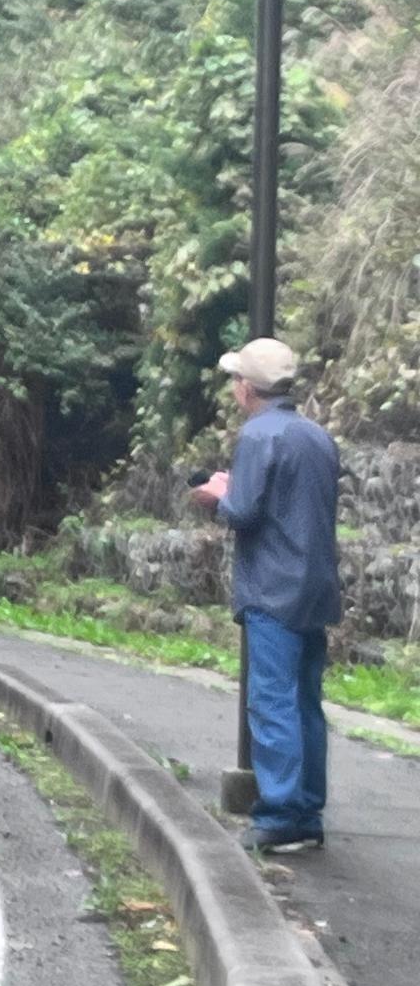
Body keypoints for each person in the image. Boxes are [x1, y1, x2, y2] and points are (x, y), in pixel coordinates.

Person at [191, 337, 341, 852]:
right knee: (305, 702)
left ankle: (280, 814)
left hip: (273, 586)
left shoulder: (258, 434)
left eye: (236, 379)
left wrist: (217, 495)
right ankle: (308, 808)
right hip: (314, 584)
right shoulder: (316, 436)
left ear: (246, 388)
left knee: (272, 701)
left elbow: (244, 512)